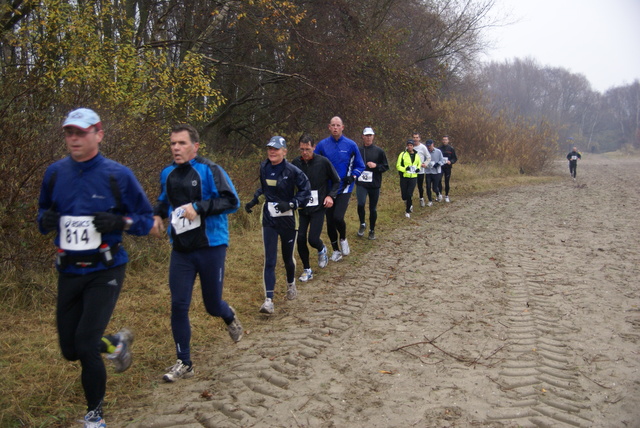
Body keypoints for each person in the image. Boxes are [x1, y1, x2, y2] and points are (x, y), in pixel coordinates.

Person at [37, 108, 154, 428]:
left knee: (86, 345)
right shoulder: (55, 173)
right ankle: (115, 343)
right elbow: (43, 212)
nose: (74, 138)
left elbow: (146, 221)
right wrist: (44, 221)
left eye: (81, 132)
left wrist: (121, 221)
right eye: (69, 133)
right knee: (70, 350)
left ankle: (94, 415)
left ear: (98, 135)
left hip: (106, 270)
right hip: (69, 270)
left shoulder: (118, 175)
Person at [152, 124, 243, 383]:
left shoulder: (210, 170)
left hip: (211, 246)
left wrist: (199, 207)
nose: (176, 148)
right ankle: (185, 361)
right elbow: (163, 199)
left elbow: (231, 201)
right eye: (172, 143)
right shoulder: (167, 173)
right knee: (178, 305)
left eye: (181, 143)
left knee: (212, 305)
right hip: (181, 249)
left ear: (195, 146)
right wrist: (157, 215)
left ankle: (228, 316)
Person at [245, 136, 311, 314]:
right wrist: (254, 200)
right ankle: (268, 300)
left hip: (288, 220)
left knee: (287, 258)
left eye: (275, 149)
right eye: (269, 149)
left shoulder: (293, 171)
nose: (272, 152)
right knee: (270, 260)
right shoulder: (264, 167)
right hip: (269, 219)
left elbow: (306, 191)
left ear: (284, 151)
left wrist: (291, 204)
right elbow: (265, 188)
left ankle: (291, 283)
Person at [314, 116, 365, 261]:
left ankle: (343, 238)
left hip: (344, 187)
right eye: (333, 125)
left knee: (338, 217)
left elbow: (360, 165)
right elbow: (315, 163)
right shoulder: (322, 145)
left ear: (342, 127)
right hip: (328, 189)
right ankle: (335, 250)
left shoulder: (351, 145)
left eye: (338, 125)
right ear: (329, 127)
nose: (335, 128)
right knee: (330, 221)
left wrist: (353, 176)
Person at [292, 134, 340, 282]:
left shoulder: (323, 162)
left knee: (312, 239)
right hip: (302, 208)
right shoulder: (295, 163)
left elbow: (336, 181)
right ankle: (307, 269)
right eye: (302, 149)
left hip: (318, 207)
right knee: (300, 238)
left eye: (307, 149)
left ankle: (321, 249)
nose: (305, 153)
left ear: (314, 147)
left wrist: (330, 196)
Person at [356, 127, 389, 240]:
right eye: (367, 135)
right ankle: (362, 223)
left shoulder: (379, 151)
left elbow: (385, 166)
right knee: (360, 204)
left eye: (370, 135)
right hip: (361, 183)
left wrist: (376, 166)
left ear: (373, 136)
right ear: (363, 136)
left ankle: (372, 230)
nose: (368, 137)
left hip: (374, 184)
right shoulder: (358, 150)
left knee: (372, 208)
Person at [396, 139, 422, 218]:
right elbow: (398, 166)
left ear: (413, 146)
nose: (410, 147)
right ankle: (409, 203)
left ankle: (407, 211)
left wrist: (418, 169)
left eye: (411, 145)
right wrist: (405, 169)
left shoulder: (416, 155)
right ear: (407, 146)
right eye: (408, 145)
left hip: (413, 177)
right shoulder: (402, 154)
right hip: (404, 177)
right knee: (404, 195)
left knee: (409, 194)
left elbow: (419, 163)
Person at [411, 132, 431, 207]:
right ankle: (410, 202)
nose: (415, 139)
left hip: (420, 171)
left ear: (419, 138)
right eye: (414, 137)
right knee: (411, 187)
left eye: (417, 137)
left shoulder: (423, 147)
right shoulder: (409, 146)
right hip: (411, 171)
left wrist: (425, 164)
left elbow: (428, 157)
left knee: (420, 186)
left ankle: (421, 198)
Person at [424, 139, 444, 206]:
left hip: (436, 172)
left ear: (433, 144)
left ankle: (438, 194)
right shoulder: (425, 152)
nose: (429, 147)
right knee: (428, 187)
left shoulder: (438, 151)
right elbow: (423, 161)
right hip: (428, 172)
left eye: (430, 145)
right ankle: (430, 201)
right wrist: (425, 164)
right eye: (427, 146)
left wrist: (438, 164)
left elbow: (442, 160)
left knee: (434, 187)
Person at [438, 135, 458, 202]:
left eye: (446, 140)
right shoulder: (439, 148)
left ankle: (446, 195)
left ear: (448, 140)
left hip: (447, 167)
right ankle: (440, 195)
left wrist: (451, 162)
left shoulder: (451, 148)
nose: (444, 141)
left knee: (447, 181)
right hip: (440, 167)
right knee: (439, 181)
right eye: (443, 140)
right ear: (442, 140)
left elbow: (455, 158)